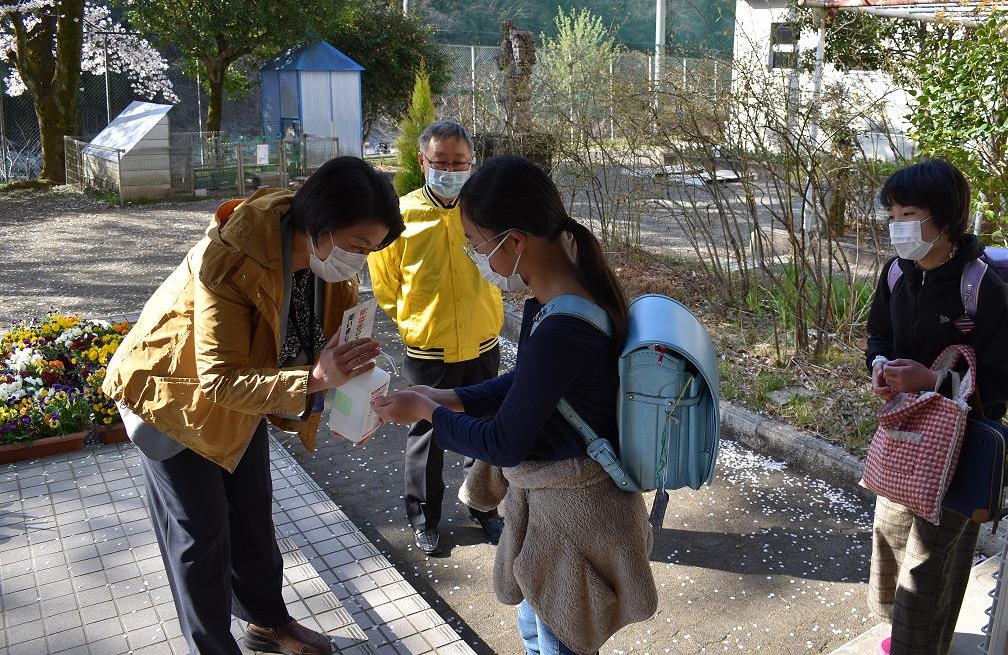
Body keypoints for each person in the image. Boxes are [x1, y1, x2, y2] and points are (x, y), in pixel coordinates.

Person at [102, 157, 405, 655]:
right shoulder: (230, 257)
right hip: (172, 399)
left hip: (246, 395)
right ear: (319, 225)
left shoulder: (331, 264)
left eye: (371, 250)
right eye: (357, 246)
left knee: (251, 515)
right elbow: (218, 379)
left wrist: (361, 404)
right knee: (201, 537)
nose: (361, 260)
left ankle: (267, 624)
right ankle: (214, 648)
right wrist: (313, 379)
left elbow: (332, 348)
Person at [372, 155, 658, 655]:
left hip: (572, 526)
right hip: (559, 515)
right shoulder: (563, 297)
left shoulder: (563, 326)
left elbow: (505, 442)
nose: (475, 255)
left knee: (556, 641)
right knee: (538, 630)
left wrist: (427, 415)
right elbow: (528, 385)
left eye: (476, 243)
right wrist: (448, 397)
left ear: (515, 242)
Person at [866, 158, 1008, 655]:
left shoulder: (980, 287)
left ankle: (919, 646)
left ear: (946, 218)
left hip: (962, 444)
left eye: (908, 214)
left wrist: (934, 379)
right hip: (905, 435)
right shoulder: (896, 274)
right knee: (890, 539)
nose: (898, 228)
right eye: (892, 216)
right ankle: (907, 636)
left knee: (929, 566)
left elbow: (1003, 380)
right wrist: (881, 367)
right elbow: (878, 337)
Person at [367, 120, 505, 555]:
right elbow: (386, 284)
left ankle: (484, 508)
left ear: (471, 164)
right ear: (423, 161)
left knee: (482, 432)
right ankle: (424, 517)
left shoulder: (486, 212)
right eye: (441, 161)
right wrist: (414, 323)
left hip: (483, 343)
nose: (450, 169)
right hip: (428, 348)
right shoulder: (402, 218)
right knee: (426, 434)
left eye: (459, 162)